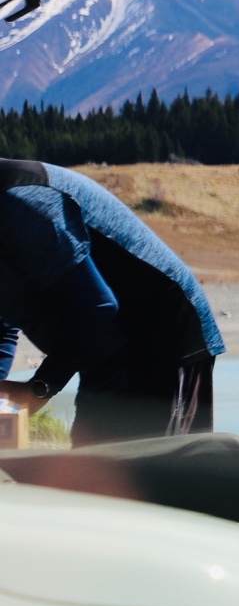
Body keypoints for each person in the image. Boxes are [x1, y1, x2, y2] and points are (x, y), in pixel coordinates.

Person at [0, 160, 225, 446]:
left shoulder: (18, 204)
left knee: (146, 480)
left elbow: (94, 308)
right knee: (93, 473)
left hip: (159, 337)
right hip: (103, 352)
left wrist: (39, 389)